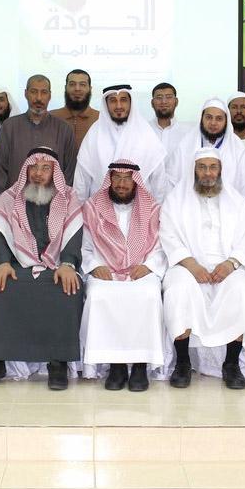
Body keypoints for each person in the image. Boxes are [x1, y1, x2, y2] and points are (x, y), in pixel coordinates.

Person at [0, 148, 84, 390]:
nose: (38, 173)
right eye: (34, 168)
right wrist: (2, 262)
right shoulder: (7, 199)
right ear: (25, 170)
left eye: (46, 168)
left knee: (68, 289)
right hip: (17, 265)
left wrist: (68, 264)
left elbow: (74, 236)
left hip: (56, 266)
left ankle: (57, 363)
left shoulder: (69, 198)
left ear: (55, 173)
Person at [160, 148, 245, 389]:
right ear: (193, 170)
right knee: (178, 289)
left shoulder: (236, 202)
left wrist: (231, 263)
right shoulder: (176, 200)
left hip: (227, 266)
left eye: (213, 167)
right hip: (186, 265)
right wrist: (191, 264)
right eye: (202, 167)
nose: (207, 173)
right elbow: (168, 235)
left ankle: (231, 364)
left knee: (243, 290)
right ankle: (182, 362)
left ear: (220, 170)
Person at [80, 160, 168, 392]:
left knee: (149, 294)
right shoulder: (92, 208)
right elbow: (85, 247)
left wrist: (148, 266)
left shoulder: (152, 209)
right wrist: (95, 266)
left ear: (136, 182)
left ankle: (140, 365)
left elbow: (160, 247)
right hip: (105, 270)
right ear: (109, 180)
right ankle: (116, 365)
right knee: (98, 295)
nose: (121, 184)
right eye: (117, 178)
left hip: (141, 270)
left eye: (127, 179)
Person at [76, 85, 168, 201]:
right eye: (113, 100)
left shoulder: (146, 132)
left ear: (131, 103)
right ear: (106, 104)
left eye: (123, 100)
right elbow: (82, 180)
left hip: (140, 206)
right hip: (99, 206)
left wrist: (158, 209)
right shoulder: (94, 133)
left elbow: (159, 181)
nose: (118, 106)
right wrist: (80, 209)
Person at [0, 75, 77, 193]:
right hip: (14, 200)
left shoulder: (64, 129)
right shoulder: (9, 127)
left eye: (44, 92)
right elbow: (0, 169)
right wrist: (5, 199)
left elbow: (70, 172)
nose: (38, 98)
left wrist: (61, 199)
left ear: (50, 96)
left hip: (53, 201)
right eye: (33, 92)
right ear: (26, 94)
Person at [167, 98, 245, 201]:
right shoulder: (185, 146)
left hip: (228, 208)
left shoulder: (239, 150)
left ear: (226, 122)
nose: (213, 123)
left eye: (219, 119)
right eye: (209, 117)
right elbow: (171, 183)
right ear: (201, 119)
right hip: (190, 207)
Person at [50, 69, 100, 148]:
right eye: (72, 84)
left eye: (82, 84)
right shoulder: (50, 117)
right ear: (65, 88)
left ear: (90, 89)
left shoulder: (101, 119)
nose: (77, 89)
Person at [149, 82, 192, 156]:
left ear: (176, 102)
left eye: (168, 97)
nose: (164, 102)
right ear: (152, 103)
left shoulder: (189, 133)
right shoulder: (144, 130)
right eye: (159, 97)